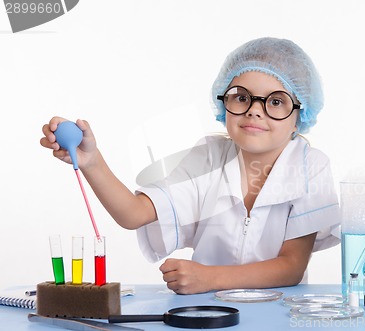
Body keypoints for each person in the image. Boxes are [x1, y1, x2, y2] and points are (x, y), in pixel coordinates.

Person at [40, 37, 340, 294]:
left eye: (275, 102)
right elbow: (133, 214)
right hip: (206, 310)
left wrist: (208, 277)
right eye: (242, 97)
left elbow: (291, 268)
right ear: (224, 104)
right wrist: (92, 161)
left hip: (277, 313)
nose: (254, 112)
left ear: (301, 114)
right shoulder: (206, 158)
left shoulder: (310, 166)